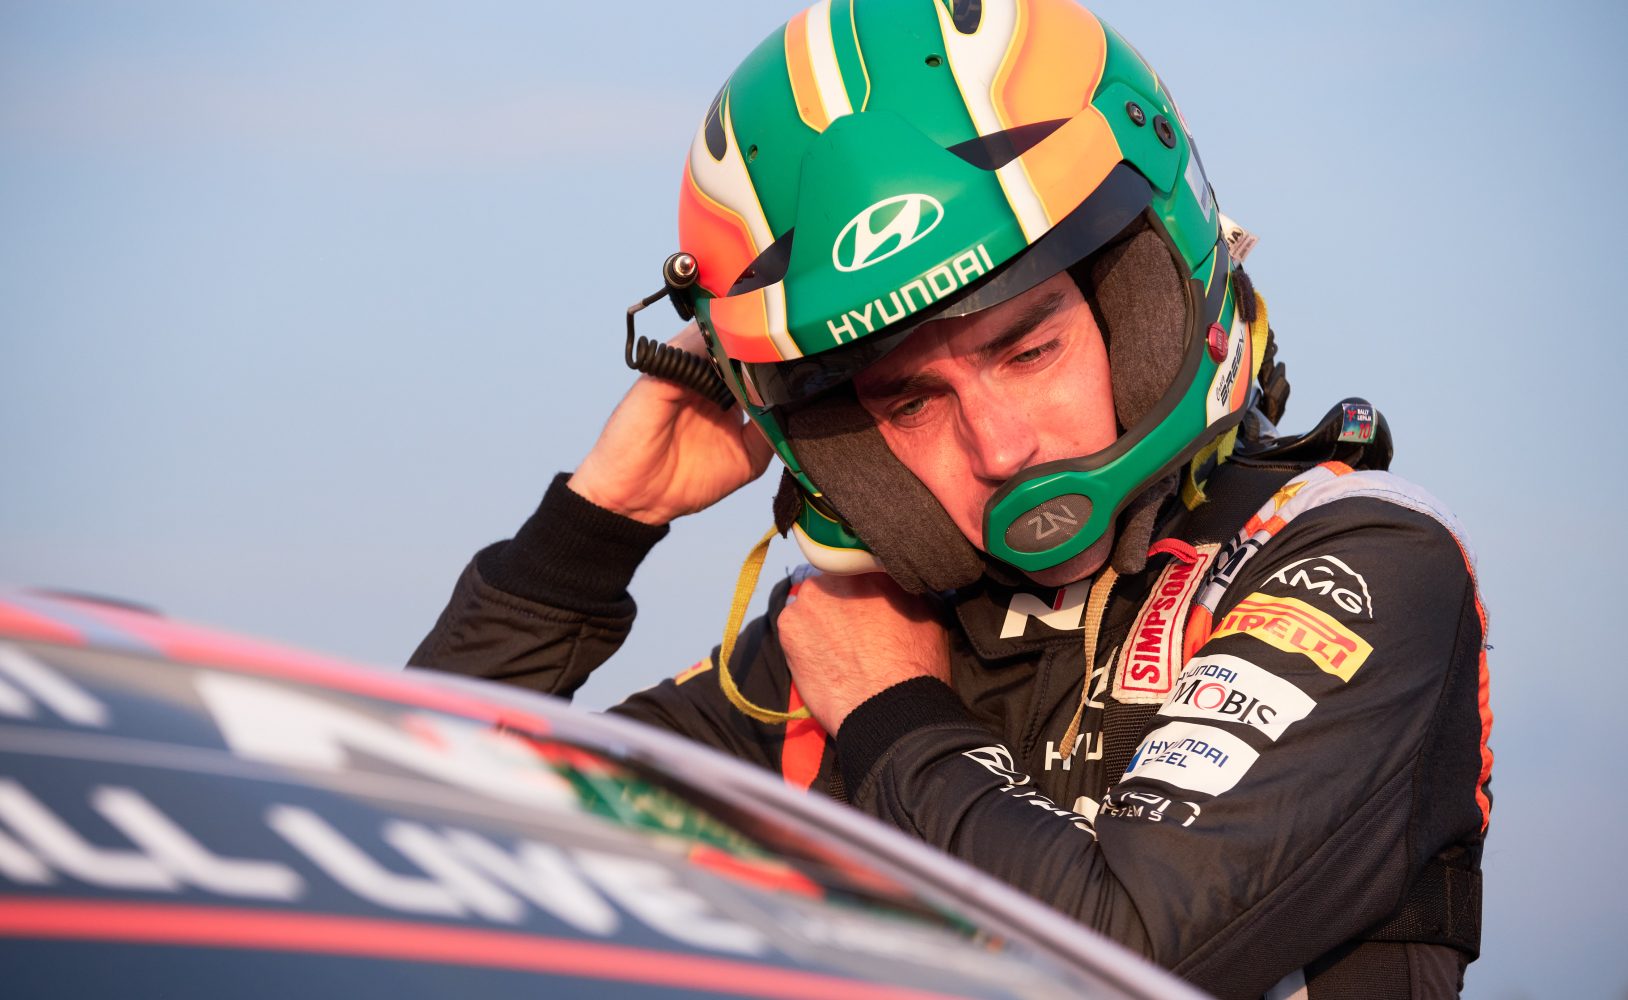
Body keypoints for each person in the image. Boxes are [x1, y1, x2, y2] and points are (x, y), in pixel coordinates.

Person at [412, 1, 1492, 996]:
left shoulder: (1356, 555)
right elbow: (415, 848)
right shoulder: (846, 638)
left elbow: (1129, 959)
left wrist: (894, 720)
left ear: (1143, 298)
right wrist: (594, 529)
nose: (1000, 445)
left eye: (1027, 350)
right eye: (911, 403)